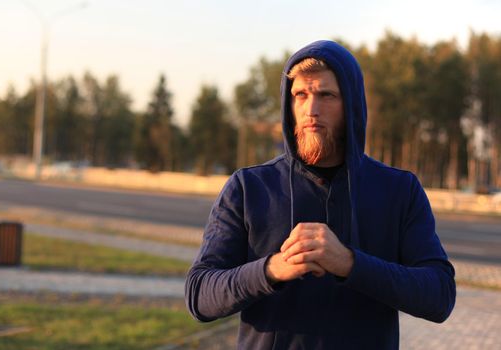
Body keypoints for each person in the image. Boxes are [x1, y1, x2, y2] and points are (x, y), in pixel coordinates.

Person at [185, 40, 456, 349]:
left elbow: (439, 296)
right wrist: (272, 269)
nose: (311, 110)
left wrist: (350, 263)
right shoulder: (248, 187)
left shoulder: (399, 190)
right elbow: (199, 295)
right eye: (300, 95)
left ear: (351, 104)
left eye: (326, 95)